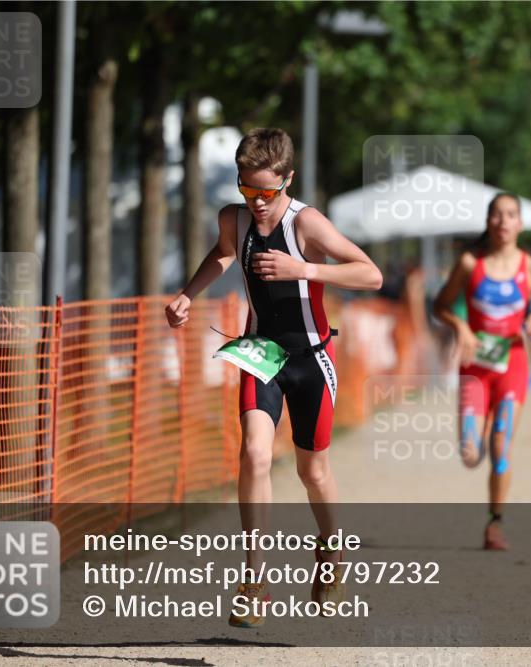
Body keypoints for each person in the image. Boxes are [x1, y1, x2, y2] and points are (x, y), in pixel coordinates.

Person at [165, 128, 382, 627]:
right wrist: (187, 294)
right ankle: (255, 580)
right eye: (246, 189)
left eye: (266, 192)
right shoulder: (234, 218)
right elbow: (223, 252)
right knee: (254, 453)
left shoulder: (306, 223)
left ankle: (331, 553)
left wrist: (302, 269)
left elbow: (369, 274)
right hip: (261, 351)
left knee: (313, 472)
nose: (257, 203)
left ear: (287, 179)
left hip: (311, 357)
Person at [433, 193, 531, 550]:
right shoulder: (469, 263)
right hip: (475, 368)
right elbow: (439, 305)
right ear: (489, 222)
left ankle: (495, 523)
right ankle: (484, 431)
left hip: (512, 366)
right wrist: (459, 325)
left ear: (520, 224)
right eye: (498, 215)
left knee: (501, 447)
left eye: (511, 215)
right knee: (471, 454)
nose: (504, 222)